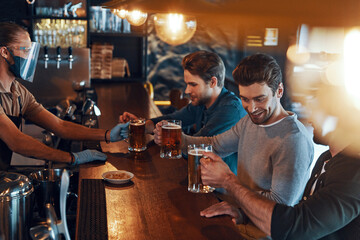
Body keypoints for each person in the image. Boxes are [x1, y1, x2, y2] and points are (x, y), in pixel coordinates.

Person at [154, 53, 314, 237]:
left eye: (260, 99)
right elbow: (215, 144)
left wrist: (234, 195)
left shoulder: (293, 140)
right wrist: (179, 140)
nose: (251, 108)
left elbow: (280, 209)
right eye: (245, 99)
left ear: (279, 91)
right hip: (239, 219)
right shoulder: (249, 122)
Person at [199, 108, 360, 239]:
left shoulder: (354, 172)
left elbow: (295, 228)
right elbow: (303, 211)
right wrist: (243, 213)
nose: (310, 116)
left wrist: (228, 181)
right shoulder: (327, 158)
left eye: (321, 108)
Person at [0, 22, 129, 170]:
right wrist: (72, 158)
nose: (30, 58)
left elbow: (59, 126)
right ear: (5, 52)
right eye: (25, 51)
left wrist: (107, 135)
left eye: (31, 52)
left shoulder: (18, 91)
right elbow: (16, 141)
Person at [120, 50, 247, 174]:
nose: (187, 90)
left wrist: (167, 136)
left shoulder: (230, 110)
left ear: (213, 82)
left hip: (219, 189)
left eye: (193, 84)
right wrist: (141, 125)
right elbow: (174, 119)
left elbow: (198, 147)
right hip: (199, 174)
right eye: (187, 84)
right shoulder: (202, 102)